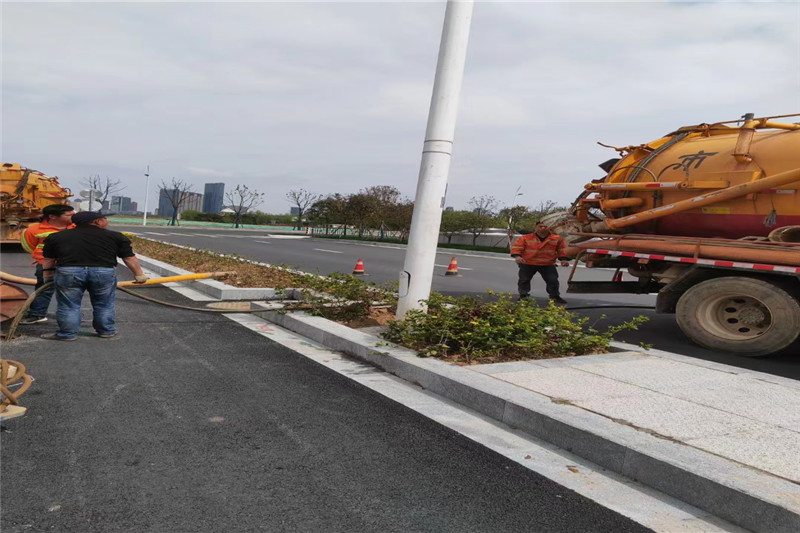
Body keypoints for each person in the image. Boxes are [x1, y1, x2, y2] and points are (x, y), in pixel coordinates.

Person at [39, 211, 148, 341]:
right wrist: (139, 275)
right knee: (104, 304)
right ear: (97, 221)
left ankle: (67, 334)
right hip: (102, 273)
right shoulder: (115, 236)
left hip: (69, 272)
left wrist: (48, 276)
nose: (107, 221)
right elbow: (129, 257)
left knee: (69, 305)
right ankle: (106, 331)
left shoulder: (56, 237)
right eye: (105, 219)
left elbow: (48, 259)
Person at [19, 204, 76, 324]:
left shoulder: (76, 228)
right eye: (69, 215)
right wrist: (42, 258)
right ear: (52, 216)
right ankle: (37, 314)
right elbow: (29, 246)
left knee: (71, 290)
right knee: (43, 289)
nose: (73, 216)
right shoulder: (34, 230)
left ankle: (70, 316)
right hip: (46, 265)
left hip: (71, 264)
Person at [510, 221, 570, 304]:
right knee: (524, 280)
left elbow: (562, 250)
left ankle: (554, 296)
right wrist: (517, 256)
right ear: (535, 227)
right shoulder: (525, 238)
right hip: (528, 262)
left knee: (553, 280)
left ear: (549, 227)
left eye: (545, 226)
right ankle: (523, 296)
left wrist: (564, 259)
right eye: (540, 226)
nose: (543, 228)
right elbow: (517, 248)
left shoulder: (556, 238)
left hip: (547, 264)